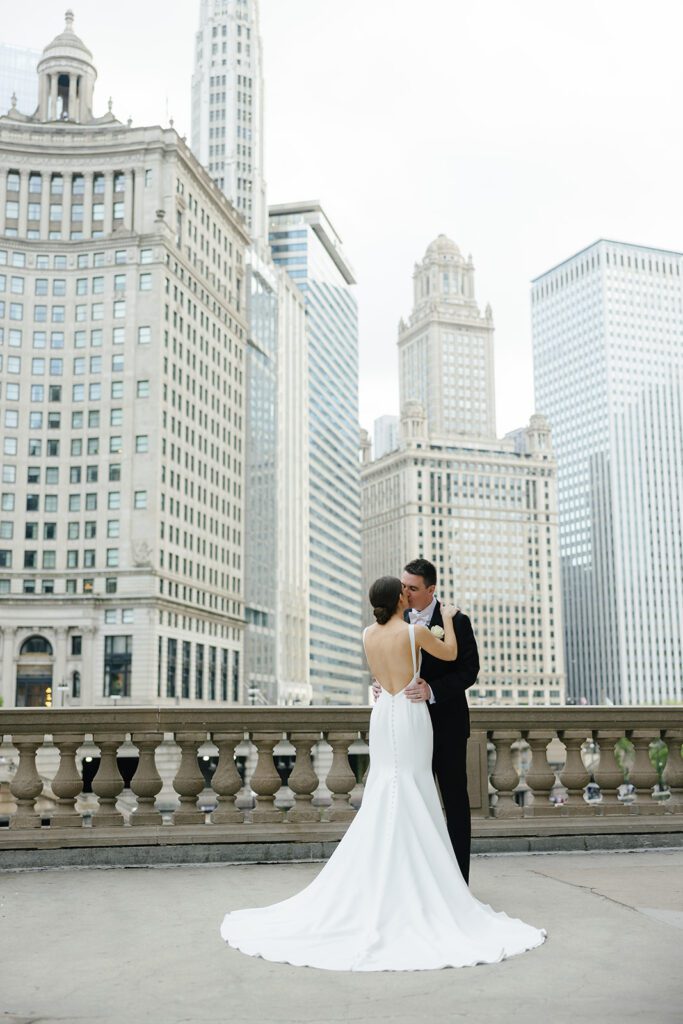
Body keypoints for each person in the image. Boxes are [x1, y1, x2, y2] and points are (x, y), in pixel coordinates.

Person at [220, 575, 545, 971]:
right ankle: (426, 883)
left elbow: (381, 675)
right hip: (410, 712)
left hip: (384, 711)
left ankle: (382, 880)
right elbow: (451, 651)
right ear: (397, 601)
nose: (408, 596)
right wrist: (446, 614)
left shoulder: (366, 634)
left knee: (386, 788)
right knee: (414, 786)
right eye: (403, 592)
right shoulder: (416, 632)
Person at [374, 558, 479, 883]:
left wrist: (433, 689)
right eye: (403, 586)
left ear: (431, 590)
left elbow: (468, 671)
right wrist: (382, 684)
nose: (405, 592)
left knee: (454, 802)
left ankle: (458, 882)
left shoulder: (456, 620)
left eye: (413, 588)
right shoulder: (396, 619)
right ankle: (414, 881)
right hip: (408, 727)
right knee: (410, 800)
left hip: (446, 724)